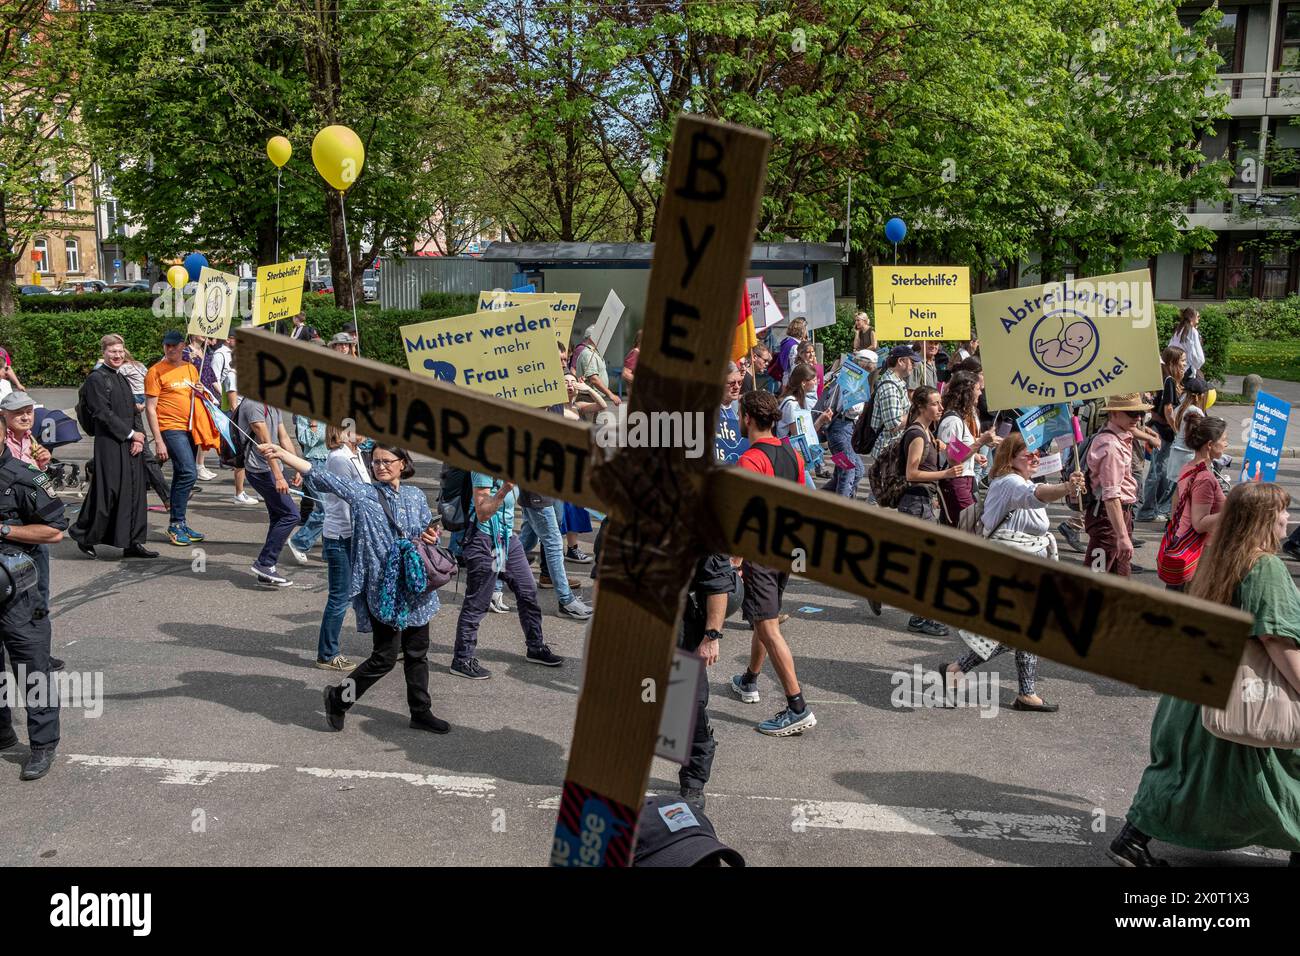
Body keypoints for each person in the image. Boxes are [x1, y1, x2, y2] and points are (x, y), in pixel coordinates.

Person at [1109, 482, 1300, 868]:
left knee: (1186, 772)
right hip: (1239, 694)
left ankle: (1131, 840)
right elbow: (1278, 640)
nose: (1289, 519)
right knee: (1287, 766)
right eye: (1282, 511)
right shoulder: (1266, 566)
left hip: (1196, 694)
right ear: (1263, 519)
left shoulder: (1220, 557)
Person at [261, 442, 451, 734]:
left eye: (387, 461)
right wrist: (282, 454)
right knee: (384, 658)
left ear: (403, 463)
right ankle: (339, 698)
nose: (380, 467)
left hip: (415, 587)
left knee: (417, 653)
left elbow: (426, 535)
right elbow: (322, 475)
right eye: (375, 462)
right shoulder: (364, 494)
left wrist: (430, 536)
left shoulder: (415, 496)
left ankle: (420, 711)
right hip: (383, 590)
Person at [941, 433, 1085, 712]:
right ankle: (963, 671)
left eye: (1037, 455)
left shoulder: (1019, 481)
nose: (1036, 458)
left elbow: (1037, 495)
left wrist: (1068, 488)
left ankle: (1017, 689)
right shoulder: (1009, 482)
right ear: (1010, 458)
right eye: (1029, 455)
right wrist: (1066, 486)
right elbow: (1036, 495)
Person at [727, 390, 815, 737]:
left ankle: (797, 707)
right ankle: (749, 679)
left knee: (767, 626)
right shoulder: (792, 454)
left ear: (748, 417)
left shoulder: (750, 460)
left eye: (738, 413)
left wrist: (735, 559)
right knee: (766, 619)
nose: (736, 417)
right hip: (785, 549)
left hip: (761, 553)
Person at [0, 431, 69, 780]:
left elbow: (56, 530)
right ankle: (2, 732)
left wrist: (5, 530)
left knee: (31, 668)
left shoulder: (27, 477)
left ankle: (43, 745)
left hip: (18, 593)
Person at [451, 470, 564, 680]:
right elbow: (483, 512)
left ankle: (535, 647)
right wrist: (505, 489)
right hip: (483, 540)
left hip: (506, 539)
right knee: (478, 602)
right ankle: (462, 658)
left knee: (527, 590)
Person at [69, 338, 156, 560]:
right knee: (108, 492)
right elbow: (102, 413)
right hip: (109, 444)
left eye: (120, 351)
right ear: (104, 353)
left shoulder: (121, 377)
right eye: (112, 351)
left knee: (135, 492)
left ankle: (132, 542)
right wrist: (130, 434)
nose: (117, 355)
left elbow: (132, 411)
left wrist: (139, 438)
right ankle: (84, 535)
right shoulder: (96, 380)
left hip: (130, 442)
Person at [897, 386, 963, 636]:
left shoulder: (927, 432)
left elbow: (958, 455)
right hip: (915, 504)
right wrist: (944, 474)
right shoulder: (917, 434)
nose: (941, 408)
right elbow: (911, 474)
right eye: (935, 403)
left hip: (924, 501)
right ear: (922, 406)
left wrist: (980, 445)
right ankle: (919, 618)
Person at [678, 553, 741, 807]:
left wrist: (711, 636)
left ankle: (693, 780)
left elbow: (716, 582)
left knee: (687, 703)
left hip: (678, 621)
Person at [313, 425, 371, 671]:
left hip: (355, 533)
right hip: (342, 535)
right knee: (340, 597)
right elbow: (352, 497)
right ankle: (327, 654)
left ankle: (390, 644)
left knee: (369, 589)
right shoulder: (339, 458)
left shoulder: (355, 454)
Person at [145, 330, 209, 546]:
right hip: (170, 428)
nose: (170, 349)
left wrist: (201, 390)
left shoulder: (190, 368)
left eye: (174, 345)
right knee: (190, 473)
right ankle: (175, 524)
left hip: (190, 427)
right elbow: (150, 409)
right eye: (167, 345)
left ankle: (179, 521)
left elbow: (197, 398)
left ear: (183, 346)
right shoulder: (155, 371)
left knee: (183, 474)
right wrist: (159, 440)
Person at [236, 397, 301, 586]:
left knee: (279, 516)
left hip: (272, 468)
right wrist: (279, 477)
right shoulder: (253, 404)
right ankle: (265, 563)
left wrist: (297, 466)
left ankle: (266, 570)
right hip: (260, 470)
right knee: (291, 515)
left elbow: (284, 438)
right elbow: (266, 444)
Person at [1084, 393, 1148, 577]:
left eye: (1140, 413)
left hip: (1116, 516)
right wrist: (1121, 535)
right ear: (1114, 413)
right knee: (1095, 575)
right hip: (1108, 518)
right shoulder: (1111, 445)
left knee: (1119, 576)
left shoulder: (1119, 438)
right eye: (1131, 413)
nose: (1138, 418)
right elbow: (1111, 495)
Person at [1163, 417, 1229, 592]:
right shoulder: (1205, 478)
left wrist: (1177, 528)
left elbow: (1176, 500)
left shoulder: (1189, 467)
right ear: (1209, 444)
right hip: (1198, 552)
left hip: (1182, 542)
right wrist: (1232, 508)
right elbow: (1199, 524)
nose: (1226, 444)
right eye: (1223, 440)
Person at [936, 371, 998, 525]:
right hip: (957, 482)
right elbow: (953, 456)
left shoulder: (958, 419)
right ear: (968, 392)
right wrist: (980, 441)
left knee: (958, 526)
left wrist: (980, 444)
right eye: (978, 389)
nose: (980, 392)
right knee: (967, 526)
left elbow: (959, 447)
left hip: (964, 480)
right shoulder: (952, 420)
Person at [1136, 346, 1185, 523]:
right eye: (1182, 361)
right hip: (1163, 430)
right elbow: (1168, 409)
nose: (1185, 364)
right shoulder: (1170, 380)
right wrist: (1176, 429)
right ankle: (1147, 510)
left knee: (1160, 470)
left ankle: (1152, 508)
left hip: (1159, 428)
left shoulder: (1164, 378)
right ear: (1173, 362)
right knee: (1158, 471)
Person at [824, 350, 870, 498]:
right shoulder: (851, 377)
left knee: (853, 471)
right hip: (840, 428)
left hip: (844, 429)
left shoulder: (851, 375)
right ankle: (841, 510)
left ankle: (818, 499)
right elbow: (853, 408)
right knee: (849, 470)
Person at [776, 363, 830, 487]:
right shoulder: (791, 404)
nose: (817, 382)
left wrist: (821, 420)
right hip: (791, 458)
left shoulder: (799, 402)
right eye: (814, 379)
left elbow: (804, 434)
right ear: (803, 383)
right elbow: (797, 438)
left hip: (795, 458)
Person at [221, 331, 259, 506]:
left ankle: (253, 489)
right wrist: (244, 424)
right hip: (240, 422)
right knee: (241, 459)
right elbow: (234, 403)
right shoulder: (232, 375)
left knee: (252, 456)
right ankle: (239, 493)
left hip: (249, 418)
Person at [286, 414, 328, 563]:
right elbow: (308, 441)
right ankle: (299, 542)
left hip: (333, 461)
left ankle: (329, 552)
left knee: (336, 509)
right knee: (327, 509)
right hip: (315, 463)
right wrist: (314, 422)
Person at [869, 345, 915, 459]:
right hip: (887, 453)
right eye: (912, 362)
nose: (914, 366)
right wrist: (918, 412)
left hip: (892, 450)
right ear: (900, 361)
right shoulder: (890, 387)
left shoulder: (896, 382)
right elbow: (894, 425)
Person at [1165, 377, 1212, 483]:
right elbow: (1198, 436)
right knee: (1182, 494)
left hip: (1176, 455)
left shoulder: (1180, 408)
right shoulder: (1195, 411)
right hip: (1187, 456)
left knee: (1173, 493)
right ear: (1199, 396)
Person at [573, 326, 621, 407]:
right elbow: (594, 379)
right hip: (589, 398)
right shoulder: (588, 354)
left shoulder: (594, 353)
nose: (603, 339)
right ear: (592, 338)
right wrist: (611, 395)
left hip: (593, 397)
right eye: (601, 336)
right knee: (588, 420)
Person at [1169, 307, 1205, 380]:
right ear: (1191, 317)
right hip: (1185, 370)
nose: (1199, 318)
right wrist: (1196, 366)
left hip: (1173, 368)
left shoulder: (1178, 330)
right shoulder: (1192, 331)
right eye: (1197, 316)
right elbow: (1199, 358)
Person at [771, 317, 807, 387]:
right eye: (805, 328)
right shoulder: (795, 346)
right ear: (802, 330)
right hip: (792, 382)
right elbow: (795, 368)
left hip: (786, 379)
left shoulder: (787, 341)